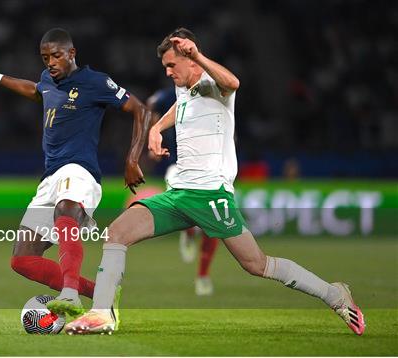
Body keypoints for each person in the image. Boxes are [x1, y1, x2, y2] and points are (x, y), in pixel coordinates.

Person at [65, 28, 365, 335]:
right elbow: (180, 105)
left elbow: (233, 83)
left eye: (172, 65)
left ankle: (334, 294)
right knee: (117, 233)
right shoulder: (185, 88)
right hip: (179, 193)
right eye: (165, 67)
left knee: (256, 264)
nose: (168, 73)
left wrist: (198, 55)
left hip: (210, 195)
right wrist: (156, 128)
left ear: (192, 59)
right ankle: (103, 314)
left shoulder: (215, 85)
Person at [0, 28, 150, 318]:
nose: (50, 62)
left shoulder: (94, 82)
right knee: (22, 260)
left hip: (80, 170)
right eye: (45, 57)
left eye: (56, 56)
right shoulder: (49, 80)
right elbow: (36, 91)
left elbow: (141, 109)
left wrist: (133, 157)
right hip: (50, 177)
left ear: (71, 53)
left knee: (66, 209)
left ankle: (70, 295)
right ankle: (101, 292)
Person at [149, 88, 220, 295]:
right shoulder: (169, 96)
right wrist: (154, 134)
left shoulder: (214, 92)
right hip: (178, 166)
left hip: (209, 169)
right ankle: (188, 231)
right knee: (186, 208)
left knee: (212, 224)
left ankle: (202, 276)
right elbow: (150, 104)